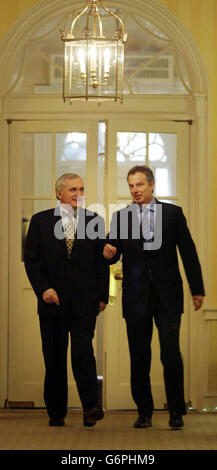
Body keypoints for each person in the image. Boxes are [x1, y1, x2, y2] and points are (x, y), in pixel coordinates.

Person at [103, 165, 204, 429]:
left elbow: (188, 252)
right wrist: (109, 252)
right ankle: (144, 412)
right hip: (136, 297)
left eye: (139, 185)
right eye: (131, 186)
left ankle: (176, 411)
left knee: (170, 352)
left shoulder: (172, 214)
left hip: (168, 295)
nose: (135, 190)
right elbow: (114, 251)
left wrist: (197, 289)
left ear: (151, 185)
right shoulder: (121, 217)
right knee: (139, 355)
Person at [24, 173, 109, 427]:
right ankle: (56, 412)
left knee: (84, 353)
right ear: (59, 193)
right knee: (54, 357)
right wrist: (43, 289)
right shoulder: (40, 221)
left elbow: (101, 262)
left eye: (81, 189)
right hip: (53, 301)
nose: (78, 194)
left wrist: (103, 296)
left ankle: (91, 407)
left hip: (84, 301)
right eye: (72, 189)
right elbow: (31, 261)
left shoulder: (94, 220)